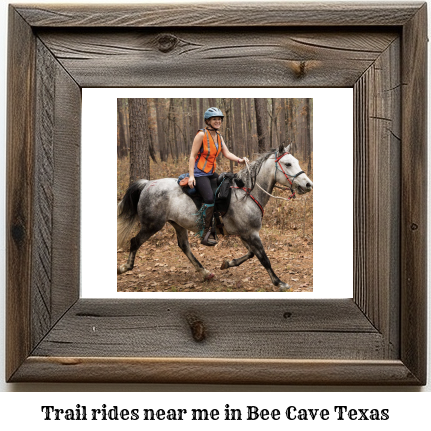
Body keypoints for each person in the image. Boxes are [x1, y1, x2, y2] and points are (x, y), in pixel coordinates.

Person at [188, 107, 248, 246]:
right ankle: (205, 233)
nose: (218, 121)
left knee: (227, 188)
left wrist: (240, 160)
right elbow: (192, 156)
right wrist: (191, 176)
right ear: (208, 121)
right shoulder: (201, 135)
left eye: (219, 119)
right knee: (209, 198)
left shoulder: (219, 136)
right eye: (214, 119)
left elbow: (226, 153)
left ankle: (223, 223)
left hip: (210, 172)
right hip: (199, 173)